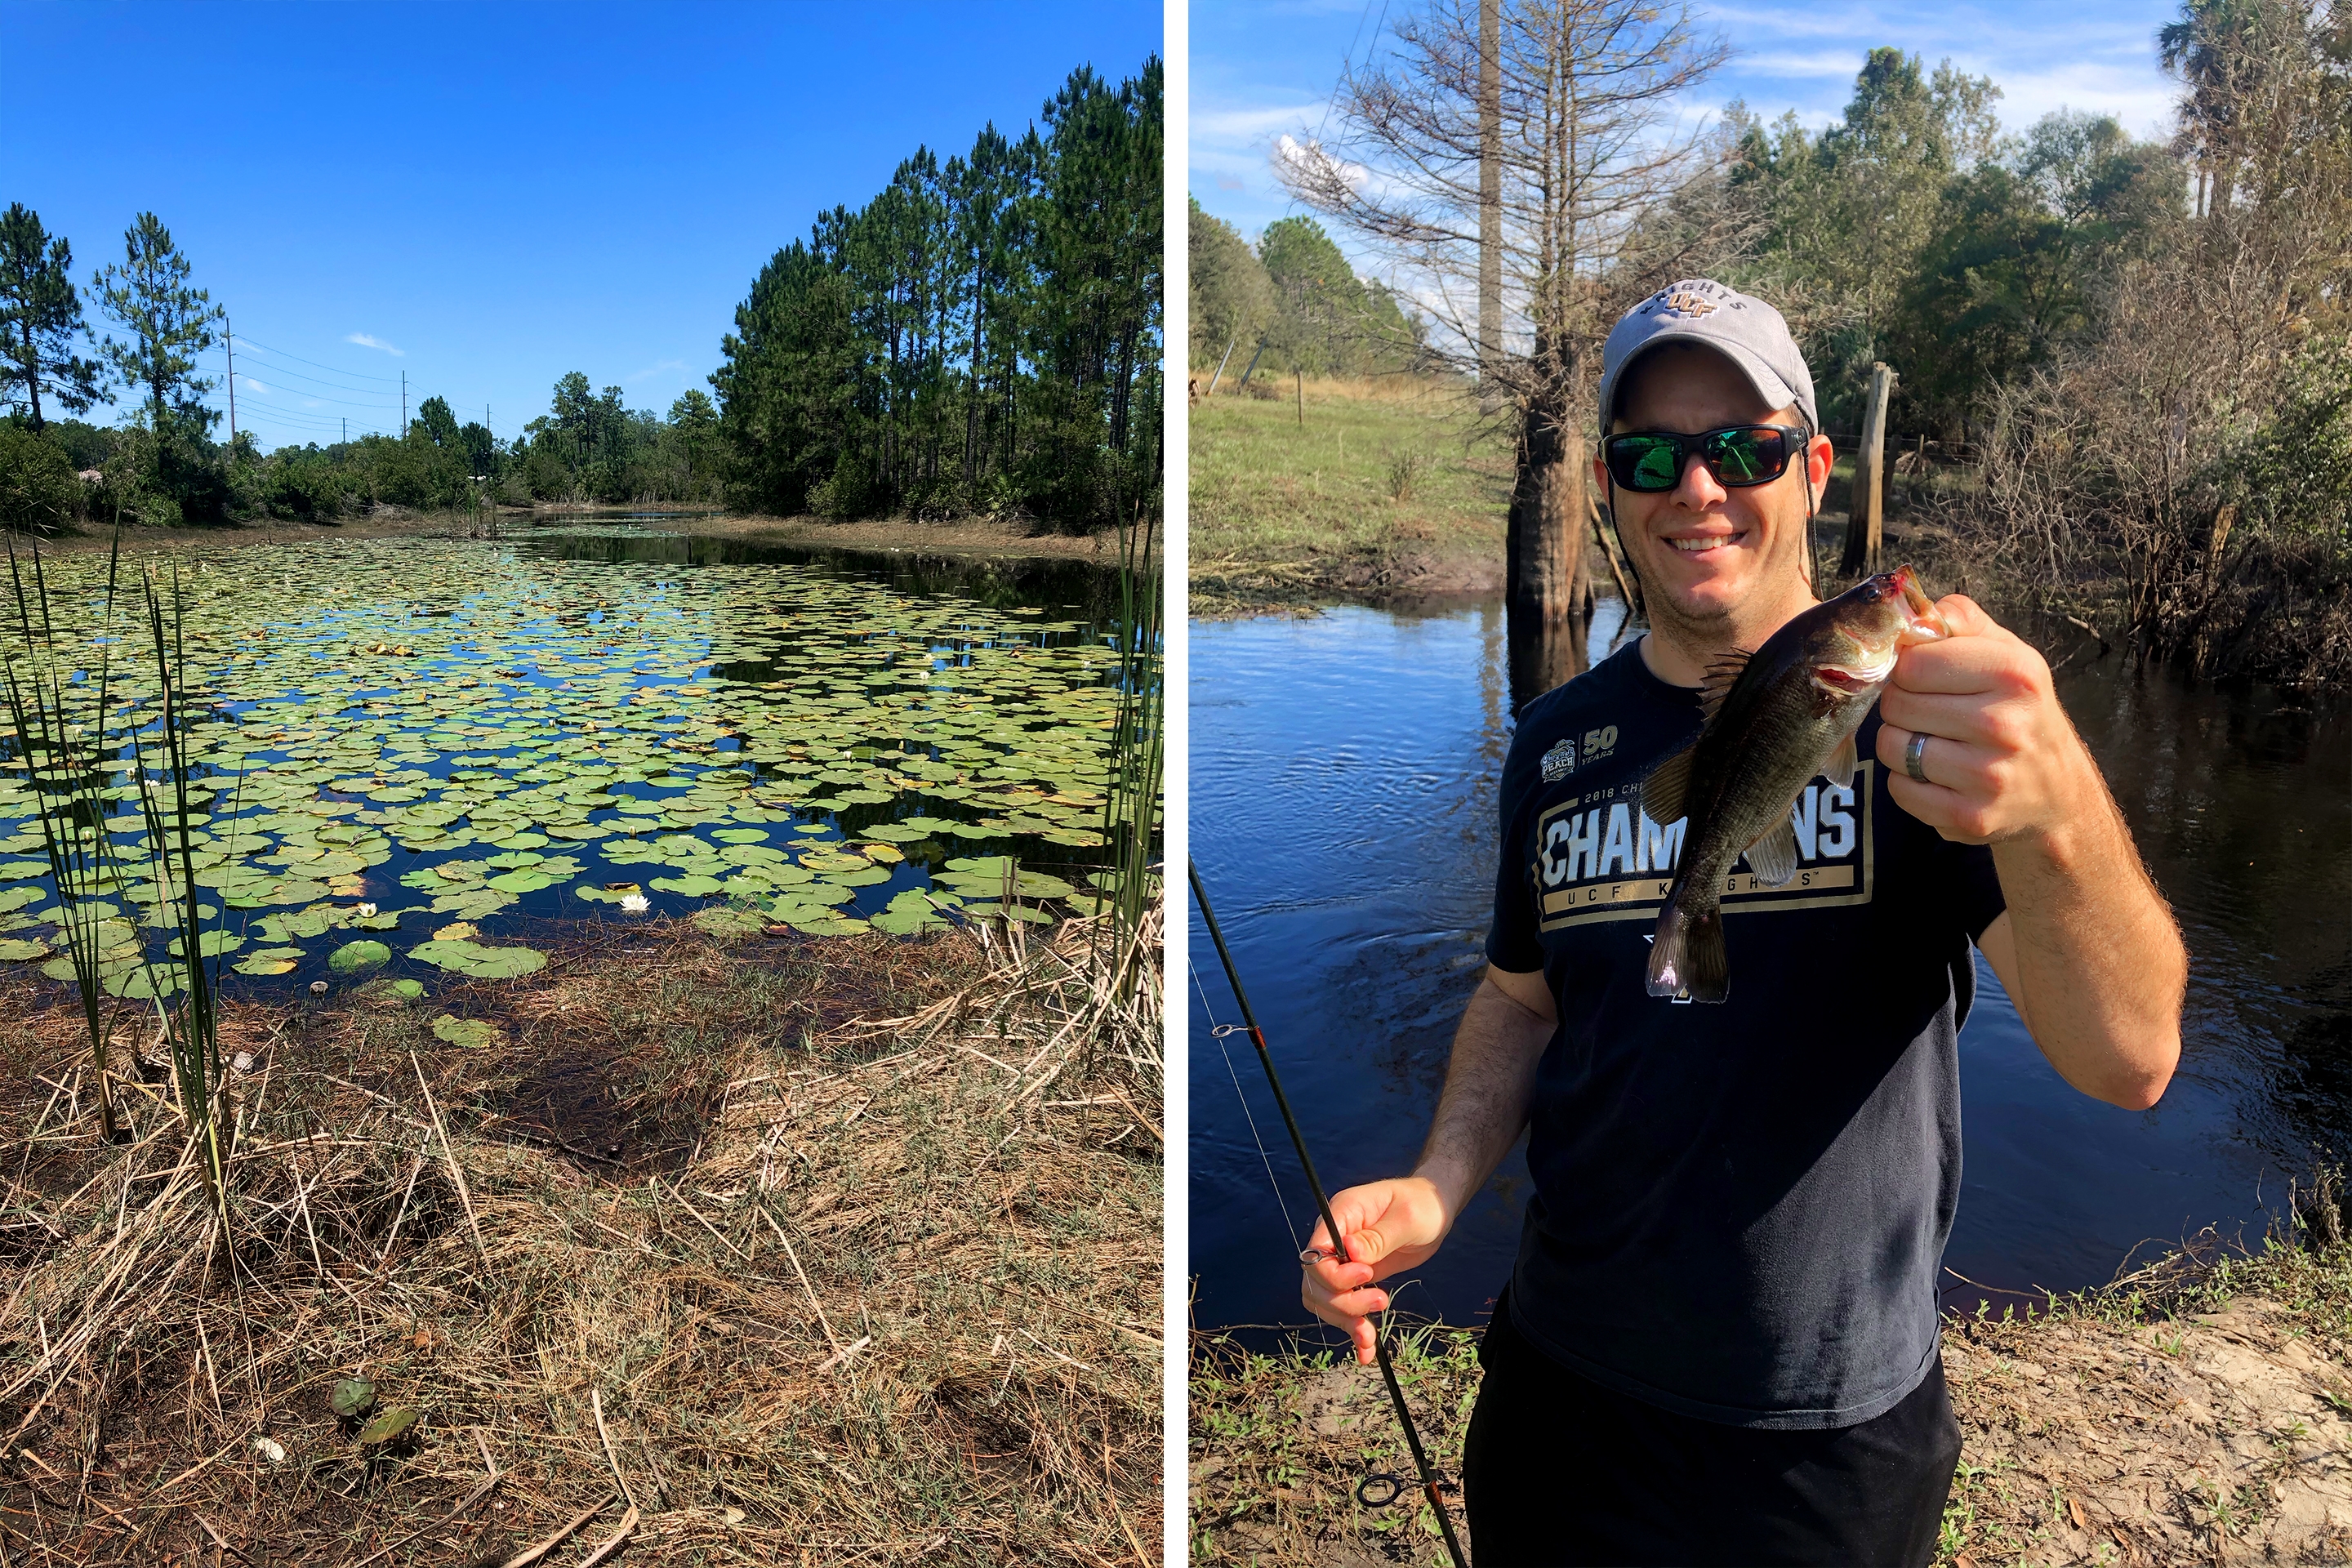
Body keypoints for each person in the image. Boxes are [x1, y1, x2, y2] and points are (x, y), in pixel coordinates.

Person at [1297, 278, 2185, 1566]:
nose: (1697, 487)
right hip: (1560, 1388)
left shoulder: (1931, 738)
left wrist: (2053, 809)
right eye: (1653, 455)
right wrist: (1436, 1190)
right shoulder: (1554, 744)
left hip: (1824, 1435)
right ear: (1611, 486)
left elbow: (2133, 1059)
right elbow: (1521, 998)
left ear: (1813, 468)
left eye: (1745, 449)